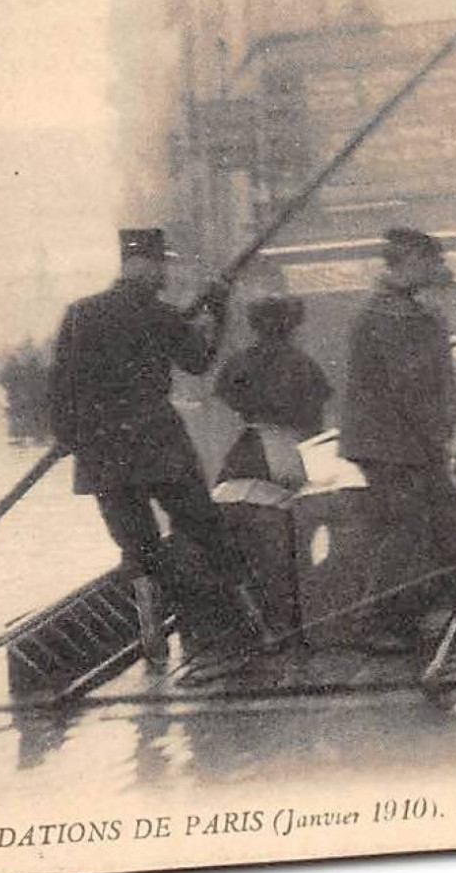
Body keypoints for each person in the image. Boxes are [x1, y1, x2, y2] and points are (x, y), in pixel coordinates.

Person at [48, 227, 269, 662]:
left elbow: (58, 389)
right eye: (162, 266)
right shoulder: (158, 314)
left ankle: (152, 637)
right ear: (147, 265)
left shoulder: (79, 314)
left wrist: (70, 440)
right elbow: (198, 361)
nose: (165, 275)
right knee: (206, 529)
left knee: (136, 546)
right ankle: (254, 621)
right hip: (157, 444)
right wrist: (219, 308)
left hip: (101, 452)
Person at [339, 227, 456, 654]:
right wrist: (440, 439)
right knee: (405, 529)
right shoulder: (391, 315)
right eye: (430, 262)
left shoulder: (404, 309)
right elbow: (411, 389)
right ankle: (368, 623)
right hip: (390, 444)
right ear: (408, 263)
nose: (438, 268)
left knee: (451, 520)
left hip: (404, 441)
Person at [213, 295, 333, 489]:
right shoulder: (303, 365)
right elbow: (315, 417)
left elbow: (225, 403)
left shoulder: (239, 363)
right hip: (294, 449)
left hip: (249, 450)